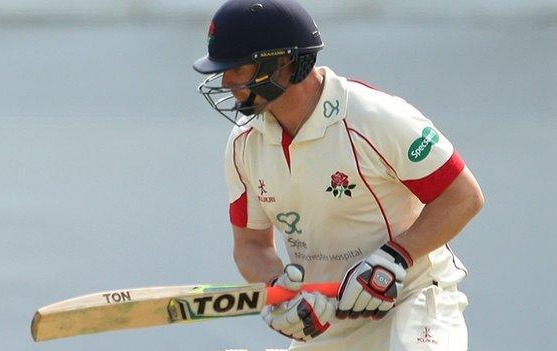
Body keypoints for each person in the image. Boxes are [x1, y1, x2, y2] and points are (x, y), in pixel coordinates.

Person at [192, 1, 484, 350]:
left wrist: (394, 258)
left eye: (237, 68)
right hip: (329, 317)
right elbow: (251, 245)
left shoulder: (372, 117)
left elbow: (463, 196)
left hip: (412, 299)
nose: (226, 82)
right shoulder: (244, 144)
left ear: (283, 62)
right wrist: (280, 291)